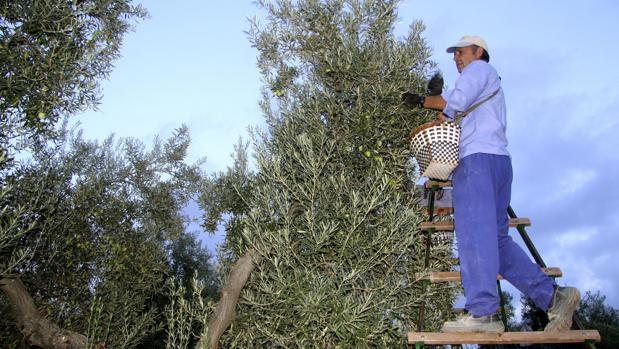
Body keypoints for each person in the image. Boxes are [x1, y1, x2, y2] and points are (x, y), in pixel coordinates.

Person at [404, 35, 580, 333]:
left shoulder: (479, 70)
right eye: (454, 53)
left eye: (461, 51)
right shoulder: (484, 81)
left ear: (478, 51)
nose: (456, 57)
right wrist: (436, 99)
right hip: (498, 164)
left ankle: (484, 313)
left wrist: (421, 100)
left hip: (477, 163)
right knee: (496, 243)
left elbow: (452, 104)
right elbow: (449, 114)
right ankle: (554, 298)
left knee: (473, 234)